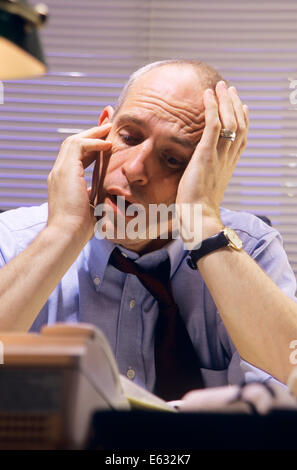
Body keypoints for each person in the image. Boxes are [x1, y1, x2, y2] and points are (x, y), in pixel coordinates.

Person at [0, 59, 297, 398]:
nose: (136, 169)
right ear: (103, 129)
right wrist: (63, 233)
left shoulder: (251, 248)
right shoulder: (13, 240)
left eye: (172, 159)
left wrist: (203, 221)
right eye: (129, 137)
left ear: (208, 169)